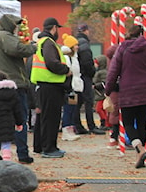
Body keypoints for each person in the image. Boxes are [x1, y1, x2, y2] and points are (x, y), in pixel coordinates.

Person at [106, 24, 146, 168]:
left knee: (128, 123)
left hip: (128, 90)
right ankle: (140, 154)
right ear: (142, 34)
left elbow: (113, 71)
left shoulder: (122, 48)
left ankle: (139, 149)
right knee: (142, 122)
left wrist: (108, 90)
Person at [0, 14, 37, 164]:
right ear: (10, 25)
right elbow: (16, 49)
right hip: (14, 85)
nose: (17, 28)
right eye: (15, 25)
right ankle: (23, 154)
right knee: (19, 120)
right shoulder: (5, 36)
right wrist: (33, 47)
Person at [30, 17, 71, 158]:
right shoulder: (49, 43)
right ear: (54, 28)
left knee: (43, 117)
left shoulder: (41, 42)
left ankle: (40, 146)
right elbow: (52, 63)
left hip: (43, 85)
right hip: (51, 85)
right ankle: (49, 148)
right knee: (51, 118)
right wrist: (66, 70)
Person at [74, 24, 100, 133]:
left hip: (77, 76)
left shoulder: (76, 42)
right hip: (85, 76)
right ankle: (91, 126)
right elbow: (87, 63)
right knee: (88, 101)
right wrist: (93, 71)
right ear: (86, 31)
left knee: (78, 102)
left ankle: (77, 125)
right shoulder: (85, 45)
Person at [60, 35, 84, 142]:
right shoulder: (67, 57)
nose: (77, 47)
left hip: (76, 86)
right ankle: (66, 130)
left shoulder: (75, 57)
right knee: (68, 109)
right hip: (71, 87)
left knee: (73, 108)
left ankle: (70, 129)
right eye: (75, 45)